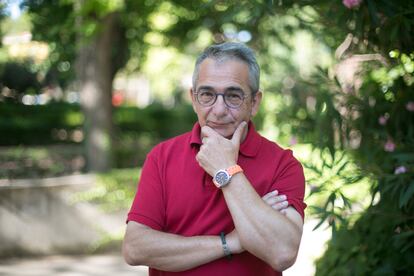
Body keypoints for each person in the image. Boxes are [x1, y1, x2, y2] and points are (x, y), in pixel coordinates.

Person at [122, 42, 306, 276]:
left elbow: (282, 253)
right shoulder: (162, 157)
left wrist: (227, 169)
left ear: (254, 102)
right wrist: (232, 242)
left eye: (233, 96)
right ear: (194, 98)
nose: (218, 110)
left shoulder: (283, 164)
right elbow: (135, 248)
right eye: (208, 94)